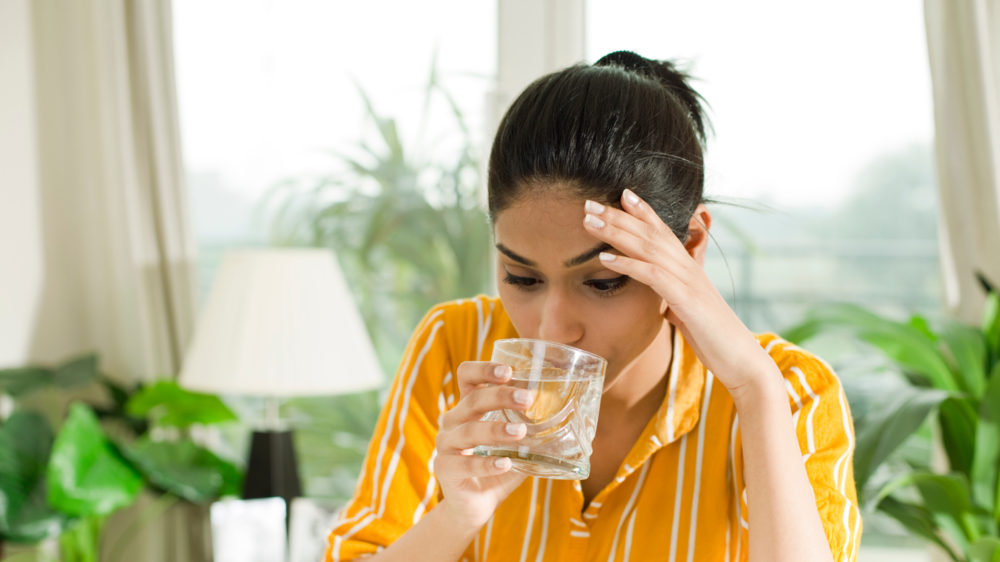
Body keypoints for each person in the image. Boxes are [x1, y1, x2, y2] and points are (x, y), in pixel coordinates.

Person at [323, 51, 859, 562]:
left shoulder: (790, 392)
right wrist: (458, 515)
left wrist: (755, 391)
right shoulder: (455, 346)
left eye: (601, 282)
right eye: (522, 277)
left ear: (689, 247)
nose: (552, 330)